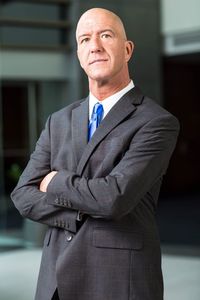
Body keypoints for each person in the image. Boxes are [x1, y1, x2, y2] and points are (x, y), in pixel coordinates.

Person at [11, 7, 179, 300]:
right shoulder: (59, 120)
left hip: (118, 280)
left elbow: (114, 198)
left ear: (127, 49)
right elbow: (23, 194)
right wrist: (80, 212)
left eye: (105, 35)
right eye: (85, 40)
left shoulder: (156, 122)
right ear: (78, 53)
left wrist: (55, 181)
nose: (95, 47)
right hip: (55, 282)